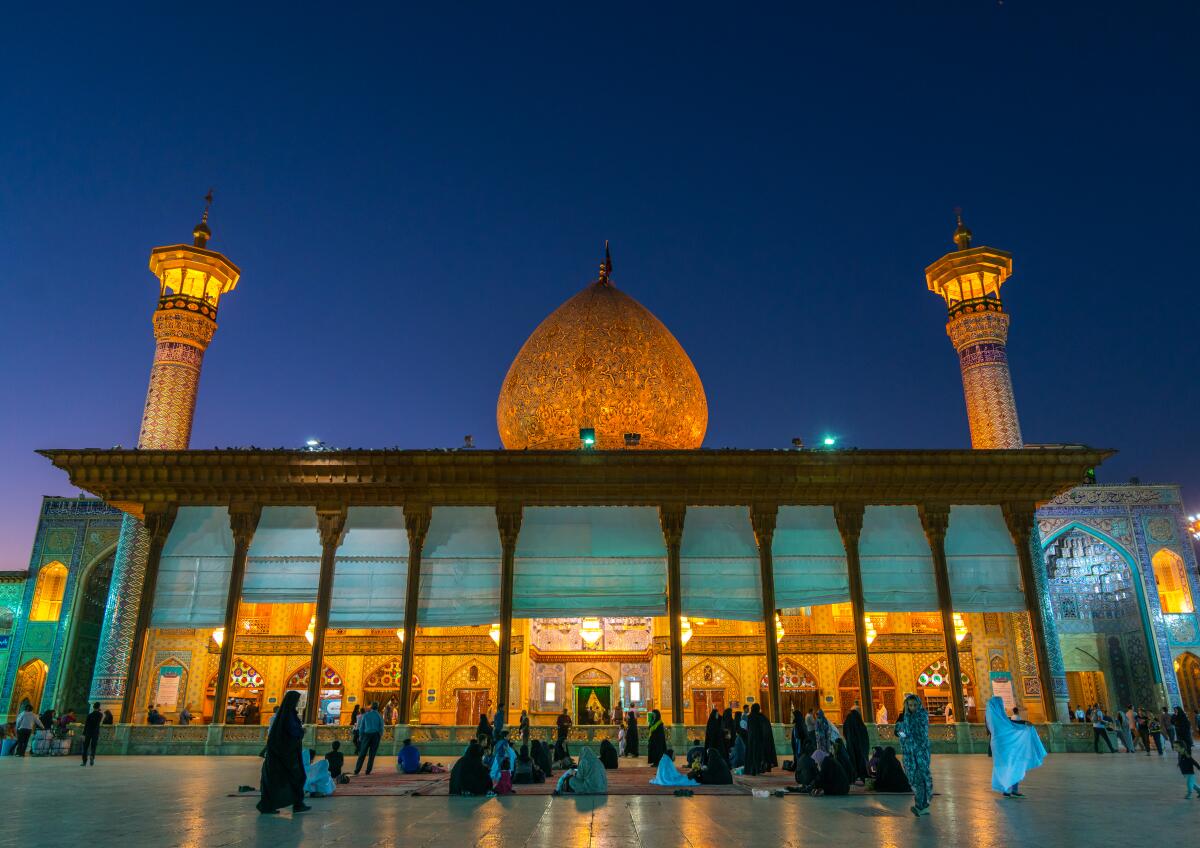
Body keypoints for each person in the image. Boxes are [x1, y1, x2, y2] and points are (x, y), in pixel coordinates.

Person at [257, 690, 309, 815]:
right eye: (296, 700)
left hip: (286, 753)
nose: (297, 702)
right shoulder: (288, 716)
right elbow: (293, 732)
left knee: (286, 778)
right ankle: (296, 804)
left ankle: (295, 803)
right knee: (295, 777)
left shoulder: (287, 714)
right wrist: (302, 732)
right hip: (285, 754)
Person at [985, 696, 1045, 798]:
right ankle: (1012, 790)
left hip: (997, 744)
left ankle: (1007, 789)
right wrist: (1024, 724)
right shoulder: (999, 717)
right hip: (1006, 743)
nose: (1002, 706)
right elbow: (1009, 724)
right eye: (1001, 704)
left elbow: (998, 727)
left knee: (1005, 766)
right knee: (1015, 763)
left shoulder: (990, 716)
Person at [896, 693, 932, 817]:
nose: (913, 708)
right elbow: (897, 732)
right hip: (909, 753)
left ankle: (921, 805)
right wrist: (904, 735)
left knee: (921, 777)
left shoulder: (923, 716)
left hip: (921, 752)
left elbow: (922, 732)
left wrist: (909, 735)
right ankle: (923, 805)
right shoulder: (902, 717)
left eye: (915, 705)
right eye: (910, 705)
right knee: (913, 777)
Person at [354, 702, 384, 775]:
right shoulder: (379, 716)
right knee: (372, 754)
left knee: (362, 753)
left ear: (371, 707)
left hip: (366, 735)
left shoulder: (366, 715)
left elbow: (361, 727)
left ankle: (357, 770)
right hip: (375, 736)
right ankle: (368, 770)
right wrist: (379, 736)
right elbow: (381, 728)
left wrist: (361, 737)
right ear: (377, 707)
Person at [842, 706, 870, 784]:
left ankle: (854, 776)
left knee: (853, 759)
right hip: (860, 746)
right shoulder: (860, 723)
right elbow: (865, 736)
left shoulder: (848, 720)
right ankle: (862, 775)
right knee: (861, 759)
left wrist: (849, 740)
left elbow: (844, 732)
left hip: (851, 745)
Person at [743, 703, 773, 776]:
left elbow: (748, 728)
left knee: (752, 754)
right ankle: (758, 769)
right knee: (758, 755)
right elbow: (765, 725)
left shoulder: (750, 716)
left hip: (751, 739)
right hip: (759, 740)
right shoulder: (760, 716)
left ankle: (752, 770)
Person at [81, 702, 102, 767]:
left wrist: (83, 733)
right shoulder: (100, 715)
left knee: (85, 747)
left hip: (88, 732)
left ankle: (84, 761)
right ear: (99, 707)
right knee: (93, 746)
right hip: (95, 732)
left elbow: (86, 725)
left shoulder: (90, 715)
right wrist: (99, 710)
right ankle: (92, 756)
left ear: (93, 707)